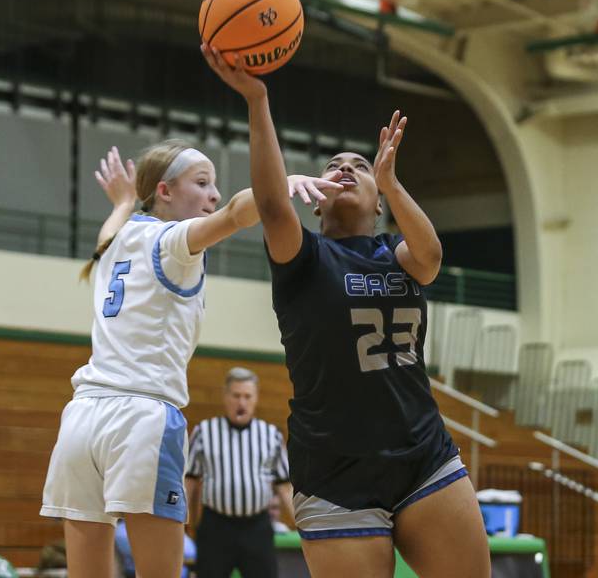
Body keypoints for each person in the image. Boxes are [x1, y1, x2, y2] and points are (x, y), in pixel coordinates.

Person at [202, 44, 491, 578]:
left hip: (421, 455)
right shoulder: (305, 259)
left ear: (379, 202)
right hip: (335, 475)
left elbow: (431, 257)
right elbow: (269, 205)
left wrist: (393, 181)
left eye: (359, 166)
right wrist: (258, 99)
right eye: (333, 167)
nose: (345, 169)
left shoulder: (397, 256)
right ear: (316, 198)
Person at [40, 142, 340, 578]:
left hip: (81, 419)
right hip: (139, 419)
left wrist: (123, 201)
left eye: (214, 184)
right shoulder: (171, 241)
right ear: (164, 191)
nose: (213, 194)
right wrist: (277, 189)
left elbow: (106, 232)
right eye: (202, 183)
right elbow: (237, 213)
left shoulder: (117, 241)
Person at [184, 367, 293, 578]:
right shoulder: (205, 432)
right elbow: (190, 483)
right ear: (226, 397)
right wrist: (181, 526)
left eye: (247, 396)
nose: (241, 402)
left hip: (257, 528)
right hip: (216, 527)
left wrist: (303, 526)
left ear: (255, 399)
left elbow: (284, 486)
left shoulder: (271, 435)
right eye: (236, 395)